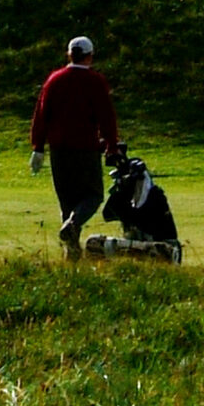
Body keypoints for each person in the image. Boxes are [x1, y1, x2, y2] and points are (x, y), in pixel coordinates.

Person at [27, 34, 122, 255]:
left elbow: (41, 115)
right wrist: (111, 144)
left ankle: (72, 253)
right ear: (89, 56)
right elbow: (106, 116)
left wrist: (38, 147)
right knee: (93, 195)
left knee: (67, 201)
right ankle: (73, 225)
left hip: (59, 150)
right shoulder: (95, 81)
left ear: (69, 55)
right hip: (85, 148)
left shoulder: (54, 79)